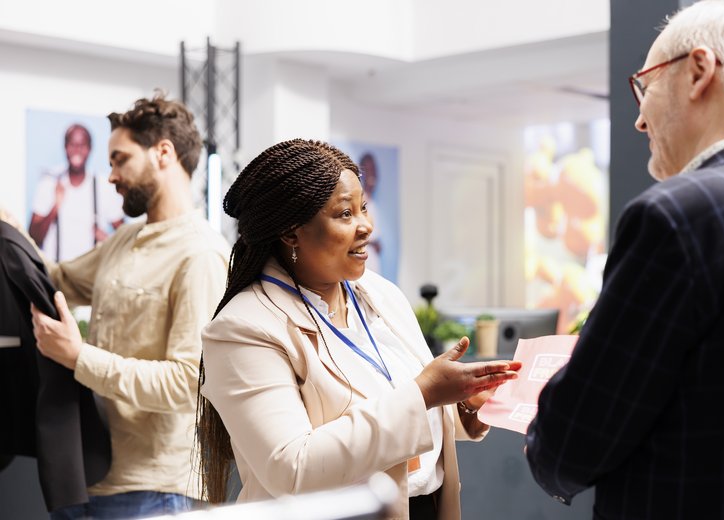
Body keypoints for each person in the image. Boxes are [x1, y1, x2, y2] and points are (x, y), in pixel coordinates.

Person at [525, 1, 724, 518]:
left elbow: (574, 438)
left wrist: (542, 437)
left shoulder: (677, 217)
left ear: (699, 71)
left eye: (645, 86)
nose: (639, 119)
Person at [197, 139, 522, 520]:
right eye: (345, 214)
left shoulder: (381, 296)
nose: (366, 226)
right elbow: (291, 467)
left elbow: (406, 415)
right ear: (290, 232)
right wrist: (424, 394)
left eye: (363, 208)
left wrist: (465, 408)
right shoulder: (243, 328)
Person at [26, 94, 230, 519]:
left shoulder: (202, 255)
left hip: (158, 490)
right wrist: (9, 228)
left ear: (163, 153)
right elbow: (55, 280)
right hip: (94, 476)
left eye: (120, 160)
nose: (112, 176)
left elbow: (187, 384)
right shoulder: (123, 241)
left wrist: (78, 356)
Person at [29, 124, 124, 262]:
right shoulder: (49, 183)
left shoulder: (104, 186)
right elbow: (33, 238)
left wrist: (107, 239)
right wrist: (55, 207)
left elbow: (125, 236)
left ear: (90, 149)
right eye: (72, 144)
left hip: (90, 276)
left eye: (82, 145)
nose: (77, 150)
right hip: (55, 275)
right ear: (65, 147)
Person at [358, 152, 383, 274]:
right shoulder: (359, 200)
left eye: (373, 169)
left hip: (373, 259)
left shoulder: (373, 201)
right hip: (364, 259)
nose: (371, 174)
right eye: (368, 170)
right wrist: (372, 243)